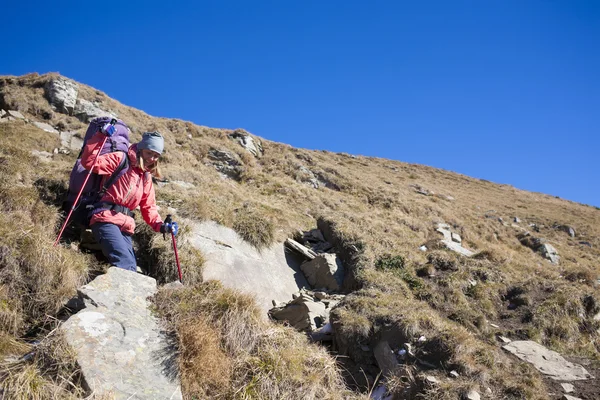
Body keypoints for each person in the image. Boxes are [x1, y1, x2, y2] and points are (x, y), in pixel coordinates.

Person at [80, 129, 178, 272]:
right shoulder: (121, 159)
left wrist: (161, 226)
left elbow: (148, 207)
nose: (152, 159)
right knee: (125, 264)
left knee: (131, 267)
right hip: (105, 219)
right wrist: (100, 135)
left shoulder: (145, 177)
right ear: (141, 148)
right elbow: (89, 161)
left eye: (156, 156)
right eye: (149, 153)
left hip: (125, 226)